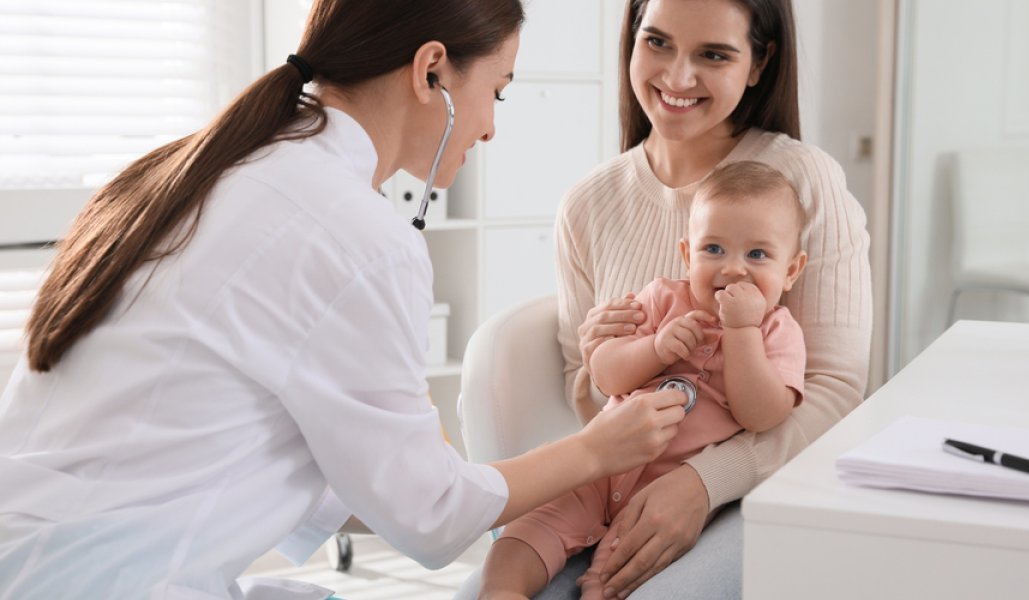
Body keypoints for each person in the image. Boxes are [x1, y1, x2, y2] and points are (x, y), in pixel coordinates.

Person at [0, 1, 690, 598]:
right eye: (497, 93)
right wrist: (596, 451)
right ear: (431, 71)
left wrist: (454, 476)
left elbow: (309, 457)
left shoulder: (201, 169)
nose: (489, 129)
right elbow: (430, 515)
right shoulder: (356, 234)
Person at [464, 0, 873, 596]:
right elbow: (590, 390)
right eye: (657, 42)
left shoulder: (804, 183)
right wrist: (604, 355)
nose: (678, 77)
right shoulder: (588, 203)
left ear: (759, 63)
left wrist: (703, 482)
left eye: (714, 54)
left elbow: (835, 393)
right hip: (613, 480)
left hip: (750, 493)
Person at [479, 162, 809, 600]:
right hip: (601, 463)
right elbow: (606, 374)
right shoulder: (660, 298)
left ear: (792, 270)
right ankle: (501, 591)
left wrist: (742, 331)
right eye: (714, 249)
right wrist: (655, 348)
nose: (733, 269)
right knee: (530, 526)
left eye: (757, 255)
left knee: (621, 569)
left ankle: (598, 588)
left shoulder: (777, 330)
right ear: (688, 254)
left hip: (668, 490)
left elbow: (762, 414)